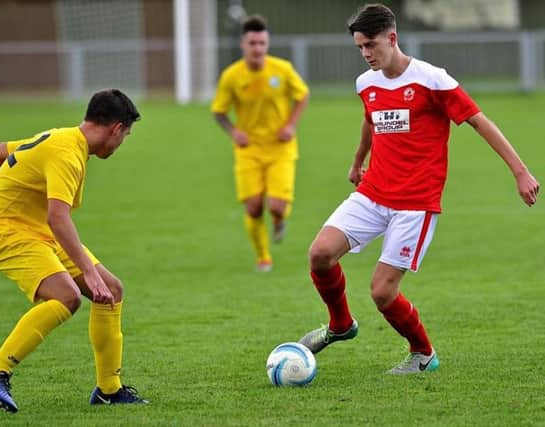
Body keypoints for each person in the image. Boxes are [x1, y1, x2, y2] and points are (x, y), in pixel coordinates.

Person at [298, 3, 540, 374]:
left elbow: (480, 122)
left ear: (392, 38)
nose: (365, 54)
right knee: (320, 253)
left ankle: (423, 354)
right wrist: (357, 160)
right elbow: (371, 119)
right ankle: (341, 325)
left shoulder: (433, 80)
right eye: (360, 47)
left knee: (382, 292)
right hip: (373, 193)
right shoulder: (367, 83)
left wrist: (520, 172)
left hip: (415, 203)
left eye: (371, 45)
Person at [0, 89, 147, 412]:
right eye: (125, 135)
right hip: (7, 231)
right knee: (66, 297)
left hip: (37, 229)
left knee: (112, 288)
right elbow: (58, 216)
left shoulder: (64, 138)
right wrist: (87, 273)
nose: (122, 143)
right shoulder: (66, 152)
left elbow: (3, 150)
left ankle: (109, 390)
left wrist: (94, 275)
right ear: (115, 128)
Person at [211, 15, 310, 272]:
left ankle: (279, 221)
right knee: (254, 207)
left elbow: (303, 95)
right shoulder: (231, 76)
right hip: (249, 150)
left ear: (267, 44)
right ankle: (263, 256)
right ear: (243, 44)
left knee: (276, 207)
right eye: (252, 43)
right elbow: (218, 111)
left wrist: (291, 125)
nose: (257, 48)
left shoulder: (282, 70)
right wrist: (234, 132)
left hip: (280, 148)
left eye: (262, 43)